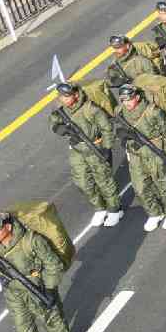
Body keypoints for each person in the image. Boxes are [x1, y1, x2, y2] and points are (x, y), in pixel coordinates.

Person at [49, 82, 122, 228]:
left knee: (103, 180)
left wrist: (106, 148)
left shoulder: (91, 109)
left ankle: (115, 209)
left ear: (76, 95)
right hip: (77, 148)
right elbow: (53, 121)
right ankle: (100, 207)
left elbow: (107, 128)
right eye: (61, 96)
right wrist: (58, 128)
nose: (63, 99)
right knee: (82, 181)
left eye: (67, 96)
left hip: (95, 146)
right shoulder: (62, 110)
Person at [114, 84, 166, 232]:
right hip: (135, 154)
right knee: (140, 187)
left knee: (163, 183)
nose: (126, 103)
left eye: (129, 99)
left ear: (137, 97)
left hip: (154, 150)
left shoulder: (152, 111)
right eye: (123, 100)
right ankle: (154, 213)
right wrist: (123, 138)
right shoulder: (120, 112)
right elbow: (118, 129)